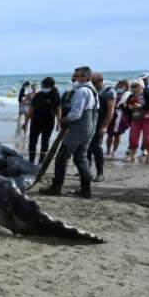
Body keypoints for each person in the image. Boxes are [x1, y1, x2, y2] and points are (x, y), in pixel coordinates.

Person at [40, 66, 99, 198]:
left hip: (79, 129)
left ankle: (56, 188)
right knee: (80, 158)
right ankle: (86, 190)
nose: (74, 78)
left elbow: (76, 114)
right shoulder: (92, 90)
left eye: (77, 76)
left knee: (62, 158)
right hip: (89, 128)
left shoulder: (82, 91)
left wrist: (63, 120)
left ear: (85, 77)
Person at [22, 77, 59, 164]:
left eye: (45, 85)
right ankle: (31, 160)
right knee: (32, 142)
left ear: (51, 86)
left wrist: (59, 122)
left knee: (45, 142)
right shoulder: (38, 95)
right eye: (43, 85)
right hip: (35, 122)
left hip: (49, 123)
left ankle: (41, 161)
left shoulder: (55, 95)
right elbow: (32, 109)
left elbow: (58, 109)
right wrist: (26, 121)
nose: (43, 87)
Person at [87, 72, 116, 182]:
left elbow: (110, 111)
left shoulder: (109, 92)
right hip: (89, 121)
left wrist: (105, 126)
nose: (92, 83)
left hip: (100, 122)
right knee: (86, 147)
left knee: (96, 147)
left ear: (101, 80)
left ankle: (100, 173)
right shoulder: (91, 90)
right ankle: (87, 171)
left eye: (93, 81)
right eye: (91, 81)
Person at [125, 81, 149, 163]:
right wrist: (128, 107)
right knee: (133, 139)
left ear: (141, 86)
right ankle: (133, 157)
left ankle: (148, 157)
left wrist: (141, 106)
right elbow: (126, 107)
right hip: (135, 119)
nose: (133, 88)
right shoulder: (130, 96)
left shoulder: (148, 94)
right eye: (132, 86)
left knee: (148, 138)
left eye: (135, 86)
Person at [106, 79, 131, 157]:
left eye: (123, 85)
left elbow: (125, 104)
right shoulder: (113, 92)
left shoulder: (128, 93)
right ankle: (108, 151)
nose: (120, 86)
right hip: (112, 114)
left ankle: (114, 151)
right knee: (109, 133)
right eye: (119, 84)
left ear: (126, 86)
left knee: (117, 134)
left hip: (121, 114)